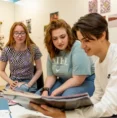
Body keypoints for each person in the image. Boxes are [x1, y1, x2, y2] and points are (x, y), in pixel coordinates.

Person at [30, 13, 117, 118]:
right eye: (81, 41)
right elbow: (97, 97)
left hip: (111, 108)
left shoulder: (115, 57)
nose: (82, 46)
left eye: (86, 40)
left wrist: (66, 115)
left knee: (67, 97)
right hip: (109, 107)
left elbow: (110, 105)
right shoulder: (98, 63)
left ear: (102, 35)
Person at [36, 19, 95, 97]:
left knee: (65, 97)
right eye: (55, 39)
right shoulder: (52, 50)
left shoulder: (78, 47)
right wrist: (46, 90)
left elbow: (78, 79)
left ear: (68, 35)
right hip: (63, 81)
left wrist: (56, 91)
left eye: (62, 37)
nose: (59, 42)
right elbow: (51, 76)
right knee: (38, 96)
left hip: (84, 81)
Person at [0, 22, 42, 93]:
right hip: (13, 83)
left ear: (26, 34)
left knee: (20, 92)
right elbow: (1, 70)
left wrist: (29, 84)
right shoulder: (7, 50)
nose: (19, 36)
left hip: (30, 83)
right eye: (16, 33)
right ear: (12, 35)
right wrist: (10, 82)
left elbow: (39, 70)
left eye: (22, 33)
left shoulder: (34, 48)